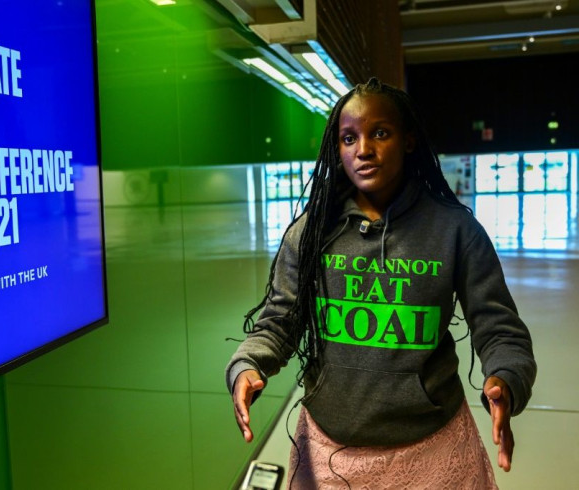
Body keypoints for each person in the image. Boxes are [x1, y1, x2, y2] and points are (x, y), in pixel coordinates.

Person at [226, 77, 536, 488]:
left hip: (432, 447)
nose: (363, 150)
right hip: (327, 449)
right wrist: (248, 364)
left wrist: (506, 379)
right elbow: (279, 320)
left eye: (380, 133)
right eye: (349, 138)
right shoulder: (311, 233)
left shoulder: (455, 230)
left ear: (408, 140)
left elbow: (499, 329)